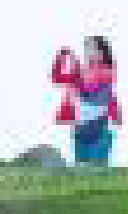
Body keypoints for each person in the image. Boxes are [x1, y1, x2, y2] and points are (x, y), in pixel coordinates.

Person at [51, 35, 121, 167]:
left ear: (102, 53)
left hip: (99, 131)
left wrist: (75, 70)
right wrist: (61, 56)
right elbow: (57, 78)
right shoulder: (79, 72)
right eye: (86, 49)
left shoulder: (107, 72)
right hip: (80, 131)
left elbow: (91, 86)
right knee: (81, 170)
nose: (88, 52)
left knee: (97, 169)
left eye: (92, 48)